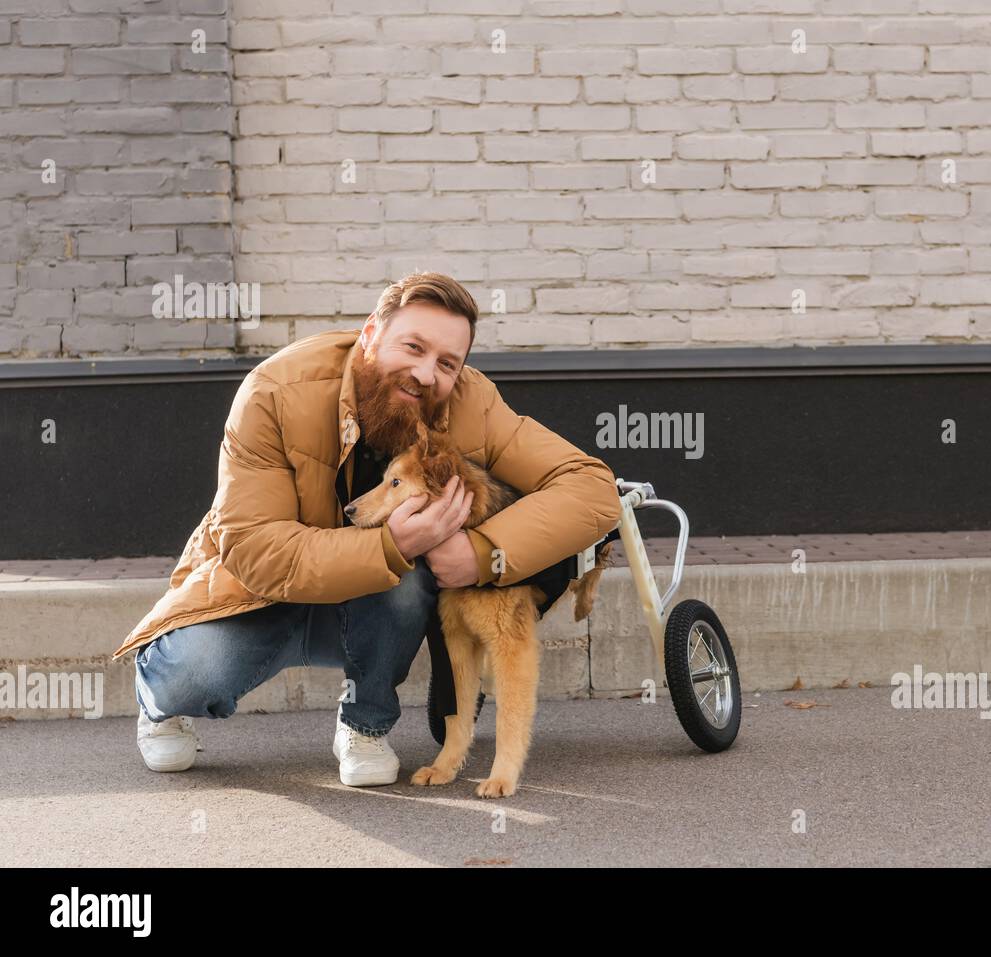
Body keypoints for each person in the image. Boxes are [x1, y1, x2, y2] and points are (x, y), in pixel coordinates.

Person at [112, 272, 621, 786]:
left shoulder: (472, 402)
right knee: (194, 672)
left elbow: (591, 487)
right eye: (413, 347)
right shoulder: (273, 391)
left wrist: (485, 551)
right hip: (258, 596)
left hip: (371, 607)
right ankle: (158, 703)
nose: (426, 374)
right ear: (371, 332)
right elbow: (253, 549)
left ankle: (365, 724)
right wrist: (389, 543)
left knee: (409, 581)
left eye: (447, 363)